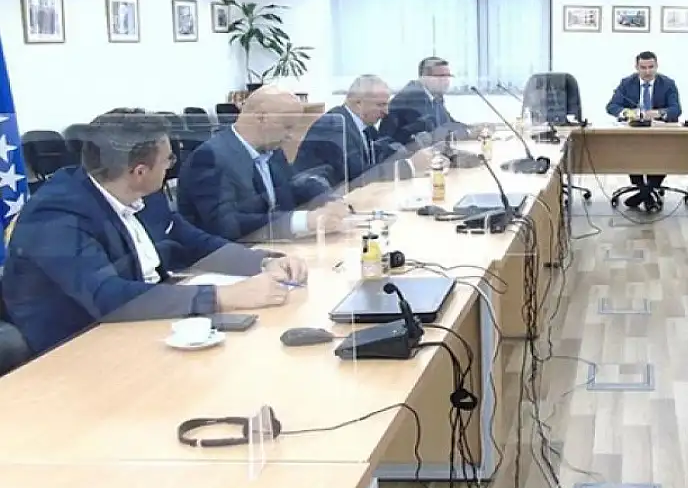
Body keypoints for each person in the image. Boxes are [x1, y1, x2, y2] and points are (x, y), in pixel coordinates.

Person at [1, 109, 307, 357]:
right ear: (139, 172)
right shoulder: (56, 215)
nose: (171, 166)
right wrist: (223, 296)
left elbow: (192, 242)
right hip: (74, 348)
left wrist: (262, 262)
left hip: (140, 327)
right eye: (168, 160)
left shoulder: (141, 192)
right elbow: (108, 297)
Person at [178, 86, 348, 242]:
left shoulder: (272, 149)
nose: (291, 136)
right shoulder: (209, 158)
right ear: (261, 118)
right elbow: (226, 225)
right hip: (228, 256)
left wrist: (327, 199)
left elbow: (291, 188)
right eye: (287, 127)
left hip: (273, 245)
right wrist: (303, 221)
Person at [294, 75, 405, 189]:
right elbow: (358, 174)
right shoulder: (335, 126)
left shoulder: (366, 127)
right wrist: (399, 167)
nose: (386, 112)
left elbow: (382, 149)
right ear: (358, 103)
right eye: (380, 105)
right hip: (318, 197)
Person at [605, 51, 682, 211]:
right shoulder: (627, 83)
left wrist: (659, 113)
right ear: (636, 67)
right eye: (643, 67)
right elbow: (612, 106)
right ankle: (645, 191)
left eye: (651, 67)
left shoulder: (668, 84)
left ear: (657, 66)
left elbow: (676, 109)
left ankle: (644, 193)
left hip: (660, 135)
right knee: (632, 153)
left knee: (662, 154)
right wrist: (628, 112)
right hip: (634, 134)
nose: (647, 72)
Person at [382, 57, 471, 146]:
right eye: (441, 77)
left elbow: (448, 122)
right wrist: (467, 132)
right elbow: (435, 132)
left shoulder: (434, 96)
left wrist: (471, 128)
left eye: (448, 76)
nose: (446, 81)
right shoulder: (413, 98)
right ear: (423, 78)